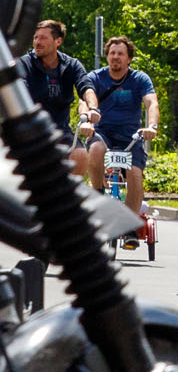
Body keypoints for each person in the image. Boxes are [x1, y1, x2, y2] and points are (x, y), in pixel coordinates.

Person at [83, 36, 159, 238]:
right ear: (107, 56)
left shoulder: (139, 79)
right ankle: (98, 194)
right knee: (96, 149)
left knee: (135, 174)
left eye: (120, 54)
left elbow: (151, 103)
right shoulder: (96, 77)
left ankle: (129, 226)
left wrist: (152, 126)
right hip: (102, 132)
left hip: (130, 136)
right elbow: (85, 99)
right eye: (112, 53)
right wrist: (87, 121)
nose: (115, 57)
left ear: (129, 59)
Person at [17, 20, 98, 175]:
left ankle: (70, 197)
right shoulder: (24, 63)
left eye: (43, 38)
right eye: (35, 38)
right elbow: (20, 89)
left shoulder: (71, 65)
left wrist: (93, 108)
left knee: (80, 155)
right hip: (30, 131)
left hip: (61, 130)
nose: (37, 42)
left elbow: (86, 87)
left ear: (58, 41)